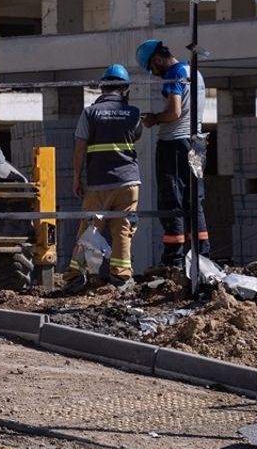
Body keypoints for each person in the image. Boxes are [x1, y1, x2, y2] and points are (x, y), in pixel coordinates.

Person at [62, 65, 142, 293]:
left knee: (88, 229)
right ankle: (121, 278)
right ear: (125, 89)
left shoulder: (90, 113)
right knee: (123, 229)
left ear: (102, 87)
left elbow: (79, 148)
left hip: (99, 183)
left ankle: (75, 276)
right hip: (129, 183)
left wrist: (77, 178)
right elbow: (136, 135)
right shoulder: (134, 113)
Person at [136, 39, 209, 266]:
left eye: (153, 68)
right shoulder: (193, 71)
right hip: (197, 145)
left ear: (157, 59)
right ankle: (201, 257)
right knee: (194, 200)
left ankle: (174, 260)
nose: (155, 73)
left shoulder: (174, 74)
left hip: (175, 145)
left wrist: (153, 119)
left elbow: (174, 112)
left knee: (172, 201)